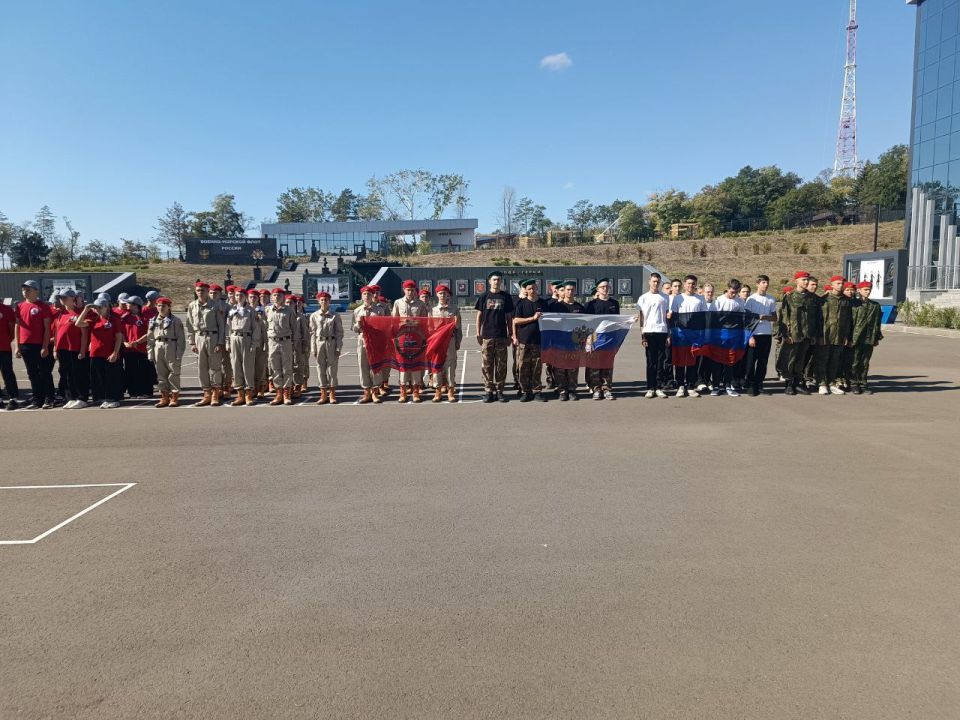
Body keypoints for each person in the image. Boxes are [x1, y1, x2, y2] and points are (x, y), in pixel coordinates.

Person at [76, 297, 124, 408]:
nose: (97, 310)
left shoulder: (114, 320)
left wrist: (115, 353)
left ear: (106, 307)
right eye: (96, 308)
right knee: (99, 378)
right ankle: (104, 398)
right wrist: (86, 309)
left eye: (99, 307)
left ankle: (113, 399)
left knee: (111, 377)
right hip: (95, 353)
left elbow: (118, 337)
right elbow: (78, 324)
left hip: (109, 353)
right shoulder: (93, 320)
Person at [475, 270, 514, 403]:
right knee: (487, 365)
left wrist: (510, 334)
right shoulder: (484, 296)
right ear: (489, 281)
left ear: (501, 281)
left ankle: (500, 391)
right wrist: (478, 333)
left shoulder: (506, 297)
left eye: (499, 279)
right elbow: (479, 316)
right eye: (494, 279)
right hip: (487, 336)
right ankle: (488, 391)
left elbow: (509, 317)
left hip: (502, 336)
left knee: (501, 365)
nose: (496, 282)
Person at [15, 280, 55, 409]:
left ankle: (49, 398)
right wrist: (17, 346)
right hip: (25, 345)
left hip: (39, 344)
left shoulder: (42, 307)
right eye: (24, 290)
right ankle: (37, 399)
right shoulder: (20, 306)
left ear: (36, 291)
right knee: (32, 373)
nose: (25, 292)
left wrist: (44, 346)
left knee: (44, 372)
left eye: (28, 290)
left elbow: (47, 328)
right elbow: (18, 325)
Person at [185, 281, 226, 407]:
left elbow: (221, 326)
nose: (200, 293)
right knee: (201, 368)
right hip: (199, 337)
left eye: (203, 290)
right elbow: (190, 325)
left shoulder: (215, 305)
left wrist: (220, 342)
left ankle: (215, 393)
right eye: (198, 290)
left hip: (212, 337)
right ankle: (206, 393)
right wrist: (192, 342)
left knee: (215, 367)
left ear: (208, 291)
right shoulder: (192, 306)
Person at [667, 275, 707, 398]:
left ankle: (690, 386)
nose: (691, 286)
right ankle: (680, 385)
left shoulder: (700, 299)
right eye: (689, 283)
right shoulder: (678, 299)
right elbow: (673, 318)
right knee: (680, 361)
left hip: (694, 335)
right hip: (680, 335)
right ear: (684, 285)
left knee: (692, 361)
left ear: (696, 285)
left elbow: (703, 318)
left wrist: (702, 335)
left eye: (693, 283)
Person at [780, 271, 818, 395]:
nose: (806, 282)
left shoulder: (811, 297)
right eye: (803, 280)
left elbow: (814, 317)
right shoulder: (789, 296)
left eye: (807, 280)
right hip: (793, 334)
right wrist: (785, 334)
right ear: (796, 281)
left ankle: (797, 383)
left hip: (807, 334)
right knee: (790, 359)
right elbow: (784, 316)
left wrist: (813, 334)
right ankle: (788, 384)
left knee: (801, 360)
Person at [583, 278, 620, 400]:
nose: (605, 289)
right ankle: (596, 389)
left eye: (607, 287)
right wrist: (588, 340)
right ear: (597, 289)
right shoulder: (590, 305)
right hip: (595, 339)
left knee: (607, 365)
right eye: (602, 287)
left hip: (609, 339)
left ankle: (607, 388)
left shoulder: (614, 304)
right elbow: (587, 324)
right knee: (595, 365)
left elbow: (618, 321)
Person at [393, 280, 430, 402]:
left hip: (416, 337)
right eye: (408, 290)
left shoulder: (420, 304)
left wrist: (412, 322)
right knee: (403, 365)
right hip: (402, 338)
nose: (410, 292)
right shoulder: (398, 303)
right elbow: (394, 321)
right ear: (404, 290)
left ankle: (415, 391)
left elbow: (425, 322)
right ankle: (403, 391)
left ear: (415, 291)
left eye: (412, 290)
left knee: (416, 365)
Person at [512, 278, 549, 402]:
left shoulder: (543, 304)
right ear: (526, 290)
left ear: (537, 288)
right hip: (524, 341)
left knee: (537, 368)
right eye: (529, 289)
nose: (532, 290)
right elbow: (516, 320)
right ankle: (525, 391)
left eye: (534, 288)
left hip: (538, 341)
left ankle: (537, 391)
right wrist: (532, 318)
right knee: (523, 367)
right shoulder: (521, 304)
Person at [815, 276, 852, 396]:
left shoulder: (846, 300)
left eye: (842, 283)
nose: (840, 285)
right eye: (838, 283)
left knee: (834, 361)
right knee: (822, 360)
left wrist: (846, 336)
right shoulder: (823, 300)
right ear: (832, 284)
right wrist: (819, 335)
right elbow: (818, 319)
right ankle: (822, 384)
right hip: (826, 336)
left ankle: (831, 383)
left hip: (839, 336)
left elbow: (847, 320)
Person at [708, 279, 746, 397]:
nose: (733, 295)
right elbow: (712, 319)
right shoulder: (718, 301)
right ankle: (715, 386)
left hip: (733, 337)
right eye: (731, 292)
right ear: (727, 288)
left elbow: (743, 319)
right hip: (719, 336)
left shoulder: (740, 302)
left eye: (735, 292)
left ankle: (728, 385)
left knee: (730, 361)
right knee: (717, 361)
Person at [636, 273, 670, 399]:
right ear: (649, 282)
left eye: (658, 282)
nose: (656, 284)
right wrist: (642, 336)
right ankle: (650, 387)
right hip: (649, 331)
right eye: (654, 281)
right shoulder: (643, 298)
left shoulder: (665, 298)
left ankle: (659, 387)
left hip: (662, 331)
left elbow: (667, 318)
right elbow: (642, 317)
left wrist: (668, 335)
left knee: (661, 361)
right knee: (651, 361)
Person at [147, 297, 186, 407]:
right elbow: (150, 338)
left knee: (173, 372)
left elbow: (181, 339)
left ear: (169, 307)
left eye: (163, 306)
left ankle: (174, 396)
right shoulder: (153, 320)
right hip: (158, 346)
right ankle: (164, 396)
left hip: (171, 345)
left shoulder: (175, 320)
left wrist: (179, 353)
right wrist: (150, 352)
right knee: (160, 373)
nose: (161, 308)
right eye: (159, 306)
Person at [52, 289, 87, 408]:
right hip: (62, 348)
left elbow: (84, 334)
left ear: (73, 298)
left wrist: (82, 350)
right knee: (66, 374)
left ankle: (82, 397)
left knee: (78, 373)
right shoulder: (61, 313)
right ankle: (71, 397)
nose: (62, 300)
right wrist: (55, 349)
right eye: (61, 298)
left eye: (64, 297)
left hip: (75, 348)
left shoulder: (79, 313)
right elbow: (57, 332)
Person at [550, 280, 584, 401]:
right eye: (567, 289)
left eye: (572, 290)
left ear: (575, 291)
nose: (569, 292)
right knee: (560, 368)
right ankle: (562, 390)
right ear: (563, 291)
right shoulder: (555, 307)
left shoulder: (579, 308)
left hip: (574, 342)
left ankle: (572, 390)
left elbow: (584, 325)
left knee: (573, 368)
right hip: (560, 342)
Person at [743, 275, 778, 396]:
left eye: (767, 282)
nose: (766, 285)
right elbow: (746, 319)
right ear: (757, 284)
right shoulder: (751, 299)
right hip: (755, 334)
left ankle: (759, 384)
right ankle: (751, 385)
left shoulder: (771, 299)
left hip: (766, 334)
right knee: (751, 362)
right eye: (763, 282)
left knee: (763, 361)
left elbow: (775, 317)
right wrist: (750, 336)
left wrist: (766, 317)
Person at [227, 289, 261, 406]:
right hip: (234, 338)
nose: (239, 297)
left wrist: (254, 343)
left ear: (245, 296)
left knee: (248, 367)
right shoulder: (232, 310)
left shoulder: (251, 311)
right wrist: (228, 342)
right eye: (237, 295)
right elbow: (228, 328)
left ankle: (248, 394)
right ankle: (240, 394)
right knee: (236, 367)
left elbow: (256, 329)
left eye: (241, 295)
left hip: (246, 338)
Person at [353, 285, 386, 404]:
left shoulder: (379, 310)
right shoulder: (357, 310)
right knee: (363, 366)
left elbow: (383, 327)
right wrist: (358, 324)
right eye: (365, 294)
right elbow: (354, 329)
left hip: (375, 340)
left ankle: (375, 391)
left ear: (373, 296)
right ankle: (366, 391)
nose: (367, 296)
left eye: (369, 294)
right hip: (362, 340)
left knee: (375, 366)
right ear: (362, 296)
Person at [265, 288, 298, 405]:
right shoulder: (268, 310)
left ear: (283, 297)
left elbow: (294, 328)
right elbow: (266, 328)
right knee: (275, 368)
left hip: (286, 342)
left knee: (287, 368)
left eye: (279, 295)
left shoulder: (289, 311)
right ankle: (278, 393)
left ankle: (287, 393)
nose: (277, 297)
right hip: (272, 342)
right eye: (275, 295)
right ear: (272, 297)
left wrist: (294, 343)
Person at [310, 291, 343, 405]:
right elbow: (313, 333)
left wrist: (338, 347)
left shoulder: (335, 315)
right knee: (320, 368)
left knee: (332, 369)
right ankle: (323, 393)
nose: (324, 302)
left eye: (326, 300)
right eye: (322, 300)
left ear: (329, 302)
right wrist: (313, 348)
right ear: (318, 301)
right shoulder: (314, 316)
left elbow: (339, 333)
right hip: (319, 342)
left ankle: (332, 393)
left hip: (331, 342)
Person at [850, 281, 883, 394]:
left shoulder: (875, 305)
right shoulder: (853, 304)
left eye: (869, 290)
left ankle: (863, 383)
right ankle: (854, 383)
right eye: (865, 289)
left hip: (869, 338)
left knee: (865, 362)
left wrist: (877, 337)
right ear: (859, 290)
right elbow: (849, 322)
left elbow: (877, 323)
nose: (868, 292)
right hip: (855, 338)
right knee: (854, 362)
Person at [430, 285, 462, 402]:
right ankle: (438, 390)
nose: (442, 295)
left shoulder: (454, 309)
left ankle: (450, 391)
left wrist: (458, 342)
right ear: (437, 295)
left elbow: (458, 328)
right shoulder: (432, 310)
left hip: (450, 341)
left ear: (447, 295)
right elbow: (429, 328)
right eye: (440, 293)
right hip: (437, 342)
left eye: (444, 293)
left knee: (450, 366)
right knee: (437, 365)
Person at [121, 296, 153, 398]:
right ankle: (133, 391)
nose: (126, 305)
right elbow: (121, 332)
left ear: (135, 305)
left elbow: (150, 333)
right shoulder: (125, 317)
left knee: (144, 370)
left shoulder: (144, 317)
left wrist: (138, 342)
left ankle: (146, 392)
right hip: (129, 349)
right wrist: (125, 342)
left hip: (142, 349)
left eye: (128, 303)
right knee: (131, 370)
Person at [0, 297, 19, 410]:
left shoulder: (6, 310)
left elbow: (12, 329)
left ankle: (13, 399)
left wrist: (6, 340)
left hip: (3, 347)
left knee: (7, 373)